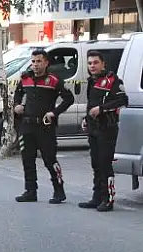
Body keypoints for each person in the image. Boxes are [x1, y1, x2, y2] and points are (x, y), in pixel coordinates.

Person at [13, 49, 74, 204]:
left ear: (46, 63)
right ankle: (30, 191)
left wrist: (55, 112)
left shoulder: (53, 80)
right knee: (27, 159)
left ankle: (59, 191)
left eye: (39, 61)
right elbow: (17, 95)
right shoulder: (25, 79)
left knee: (50, 159)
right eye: (33, 61)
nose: (35, 65)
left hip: (45, 127)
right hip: (27, 125)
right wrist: (17, 106)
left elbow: (69, 99)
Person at [78, 50, 128, 212]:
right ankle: (97, 197)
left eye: (95, 63)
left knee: (105, 164)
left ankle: (108, 199)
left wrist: (102, 109)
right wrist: (86, 119)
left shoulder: (113, 80)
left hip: (108, 128)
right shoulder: (92, 81)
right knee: (96, 164)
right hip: (94, 129)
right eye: (90, 63)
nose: (92, 66)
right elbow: (91, 104)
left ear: (103, 64)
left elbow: (123, 100)